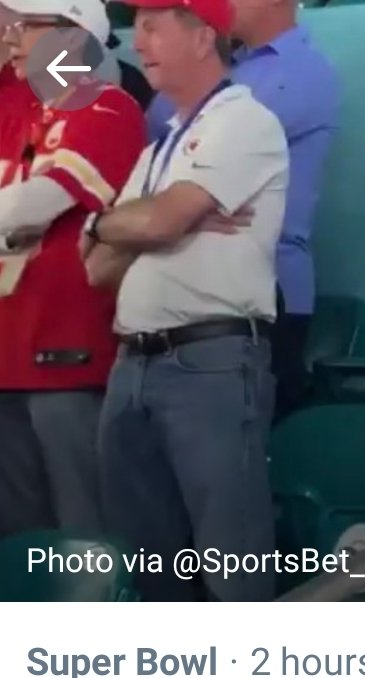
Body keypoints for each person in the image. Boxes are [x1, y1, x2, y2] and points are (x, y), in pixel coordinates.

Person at [81, 0, 289, 601]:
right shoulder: (159, 149)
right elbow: (95, 266)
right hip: (133, 363)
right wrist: (119, 225)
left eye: (153, 25)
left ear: (202, 39)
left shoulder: (243, 119)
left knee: (232, 564)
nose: (137, 40)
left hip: (209, 360)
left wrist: (125, 223)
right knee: (150, 570)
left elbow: (160, 221)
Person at [146, 0, 340, 420]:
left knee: (234, 447)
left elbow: (201, 171)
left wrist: (170, 209)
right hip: (178, 288)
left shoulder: (303, 71)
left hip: (264, 296)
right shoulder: (211, 66)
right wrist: (164, 208)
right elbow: (146, 172)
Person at [0, 0, 145, 539]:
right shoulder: (18, 110)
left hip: (68, 358)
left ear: (72, 35)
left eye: (25, 25)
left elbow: (31, 207)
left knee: (84, 534)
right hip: (8, 356)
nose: (11, 37)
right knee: (21, 540)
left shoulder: (106, 106)